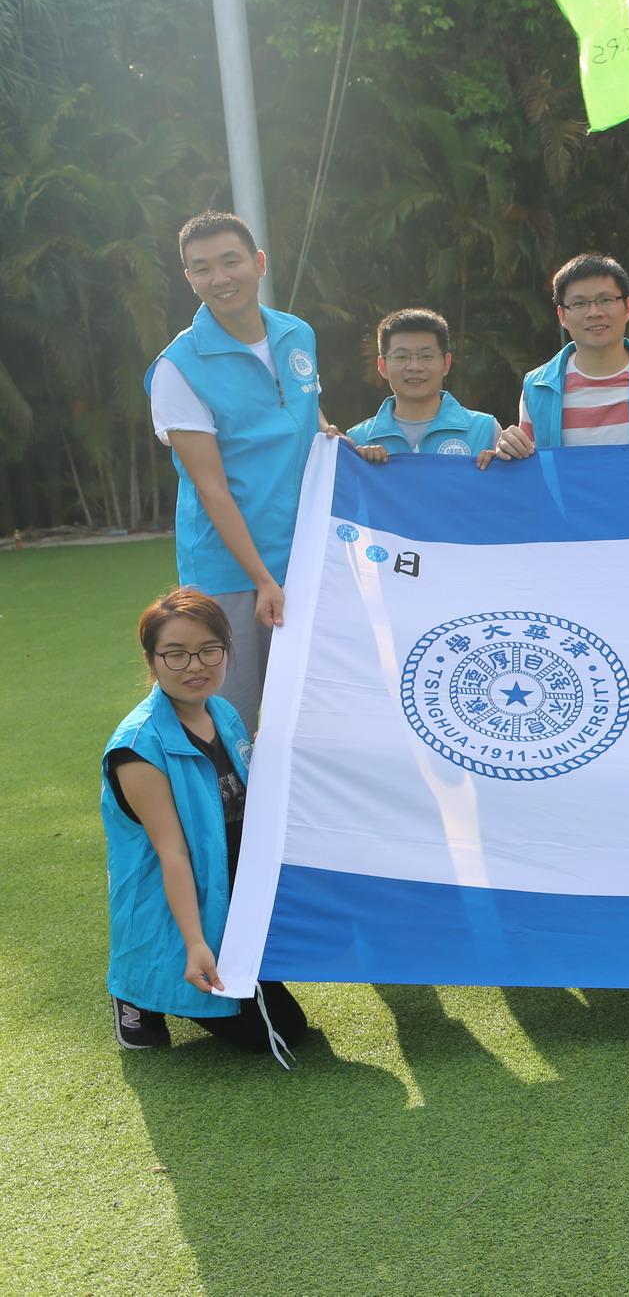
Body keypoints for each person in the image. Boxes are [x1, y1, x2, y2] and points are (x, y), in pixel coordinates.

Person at [145, 210, 344, 728]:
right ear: (189, 278)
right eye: (202, 268)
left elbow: (306, 410)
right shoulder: (177, 368)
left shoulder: (297, 334)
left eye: (230, 261)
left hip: (304, 557)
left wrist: (331, 436)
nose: (219, 277)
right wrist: (262, 580)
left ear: (258, 263)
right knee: (233, 721)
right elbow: (211, 488)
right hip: (231, 575)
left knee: (306, 717)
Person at [103, 587, 311, 1057]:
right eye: (176, 654)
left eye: (208, 650)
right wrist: (196, 944)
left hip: (229, 890)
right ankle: (136, 990)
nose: (195, 666)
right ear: (152, 660)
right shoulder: (137, 749)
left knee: (288, 1012)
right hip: (177, 908)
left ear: (226, 649)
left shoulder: (222, 711)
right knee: (276, 1035)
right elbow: (173, 854)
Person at [486, 252, 629, 463]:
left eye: (605, 300)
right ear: (562, 315)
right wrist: (506, 453)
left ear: (628, 307)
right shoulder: (538, 387)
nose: (594, 312)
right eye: (579, 303)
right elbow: (528, 466)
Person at [347, 308, 499, 460]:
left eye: (427, 356)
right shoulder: (357, 441)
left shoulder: (486, 431)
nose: (415, 367)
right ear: (382, 366)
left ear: (446, 363)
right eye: (401, 357)